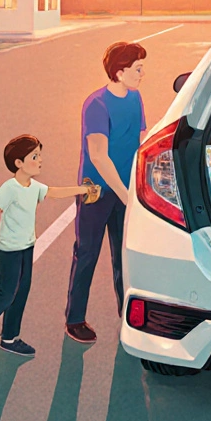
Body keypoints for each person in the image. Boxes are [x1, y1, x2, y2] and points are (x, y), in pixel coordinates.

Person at [0, 135, 96, 368]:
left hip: (26, 249)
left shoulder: (34, 187)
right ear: (18, 163)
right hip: (8, 252)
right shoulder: (10, 188)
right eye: (34, 156)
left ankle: (10, 338)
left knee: (21, 293)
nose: (40, 160)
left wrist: (84, 189)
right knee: (4, 294)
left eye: (40, 155)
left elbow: (55, 192)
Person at [65, 41, 147, 345]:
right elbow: (98, 156)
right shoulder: (96, 104)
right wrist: (126, 195)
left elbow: (139, 141)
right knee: (87, 254)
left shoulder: (135, 98)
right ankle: (74, 320)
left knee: (123, 257)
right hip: (97, 193)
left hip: (125, 190)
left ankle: (126, 315)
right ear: (120, 71)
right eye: (138, 68)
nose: (142, 74)